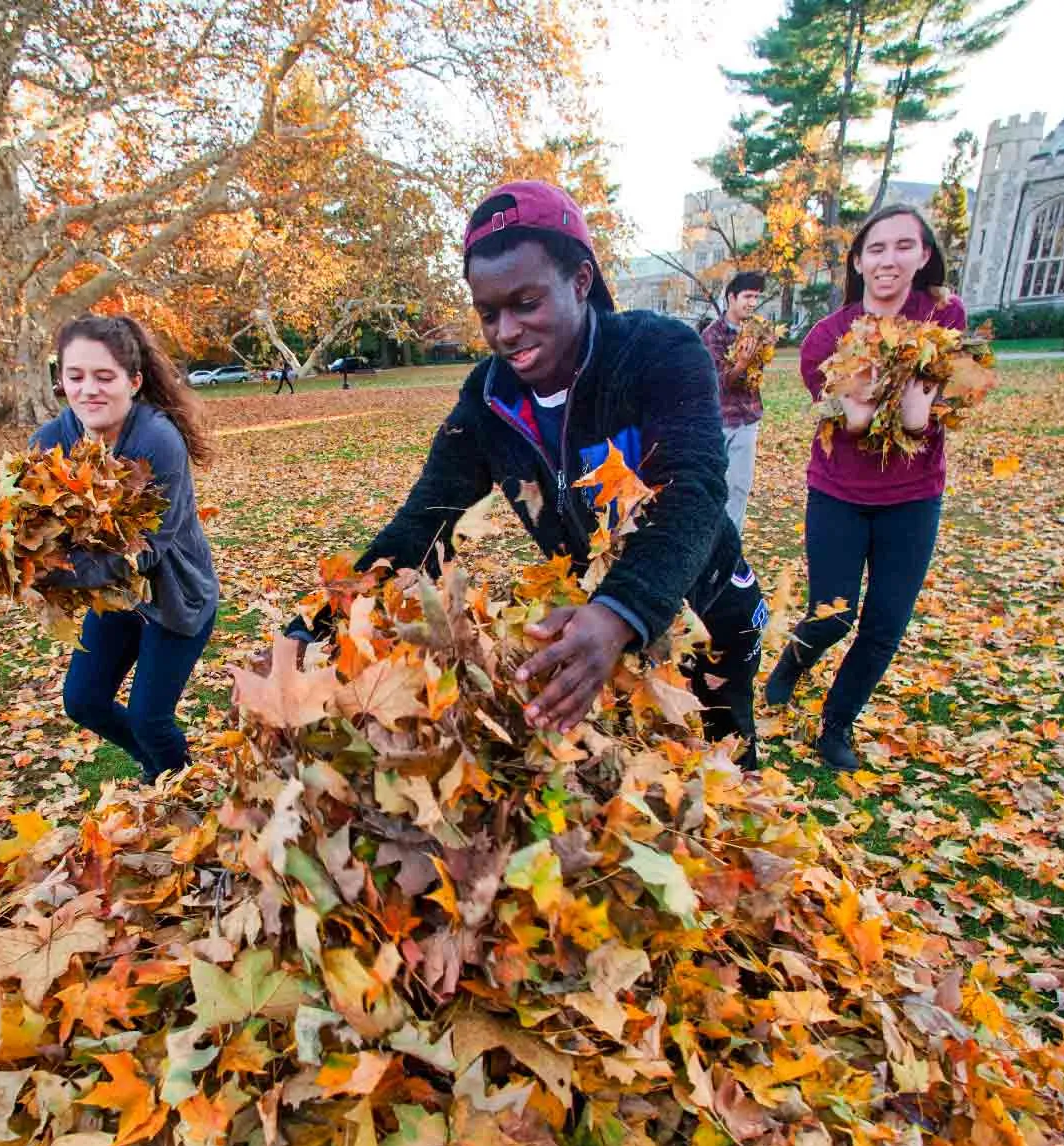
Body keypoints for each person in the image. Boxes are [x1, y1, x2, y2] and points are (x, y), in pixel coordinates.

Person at [287, 180, 765, 763]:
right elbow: (425, 523)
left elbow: (695, 487)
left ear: (580, 281)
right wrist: (313, 625)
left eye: (526, 303)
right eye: (488, 313)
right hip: (590, 634)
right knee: (632, 800)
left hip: (707, 611)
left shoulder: (658, 352)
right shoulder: (489, 399)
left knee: (721, 780)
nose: (505, 332)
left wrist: (620, 613)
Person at [764, 204, 962, 772]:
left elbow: (934, 414)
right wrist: (887, 405)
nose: (889, 260)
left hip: (914, 497)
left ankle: (837, 725)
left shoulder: (944, 319)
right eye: (876, 248)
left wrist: (921, 412)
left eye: (904, 246)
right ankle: (791, 665)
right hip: (839, 494)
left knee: (884, 623)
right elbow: (847, 423)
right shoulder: (825, 338)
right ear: (857, 260)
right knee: (833, 614)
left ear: (924, 255)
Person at [32, 315, 219, 780]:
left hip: (176, 598)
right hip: (116, 597)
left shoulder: (158, 441)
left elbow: (145, 551)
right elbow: (30, 515)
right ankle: (164, 771)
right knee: (84, 702)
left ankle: (180, 791)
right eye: (75, 377)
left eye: (104, 376)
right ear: (61, 381)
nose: (88, 389)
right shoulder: (53, 441)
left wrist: (54, 572)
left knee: (149, 719)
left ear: (133, 382)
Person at [698, 272, 768, 533]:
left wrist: (753, 363)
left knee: (738, 488)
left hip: (746, 420)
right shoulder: (712, 335)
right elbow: (717, 383)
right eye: (748, 296)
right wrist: (741, 364)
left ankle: (731, 550)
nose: (752, 303)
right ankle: (708, 547)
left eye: (756, 298)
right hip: (718, 422)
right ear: (731, 298)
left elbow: (755, 376)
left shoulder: (757, 331)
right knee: (713, 488)